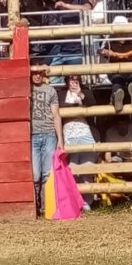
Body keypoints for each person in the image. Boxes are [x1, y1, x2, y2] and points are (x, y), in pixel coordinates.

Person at [58, 75, 98, 210]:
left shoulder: (85, 91)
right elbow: (61, 106)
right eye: (71, 79)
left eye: (76, 79)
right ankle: (75, 202)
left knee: (87, 168)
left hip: (85, 133)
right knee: (72, 170)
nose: (74, 81)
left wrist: (80, 94)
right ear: (67, 81)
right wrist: (78, 106)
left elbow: (93, 103)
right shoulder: (62, 93)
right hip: (69, 135)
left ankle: (88, 203)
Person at [30, 63, 63, 217]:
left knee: (47, 174)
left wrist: (60, 140)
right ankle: (35, 207)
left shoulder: (50, 90)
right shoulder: (26, 89)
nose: (37, 75)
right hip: (33, 134)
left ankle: (45, 208)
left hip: (49, 133)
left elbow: (56, 115)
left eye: (40, 73)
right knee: (35, 174)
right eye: (34, 72)